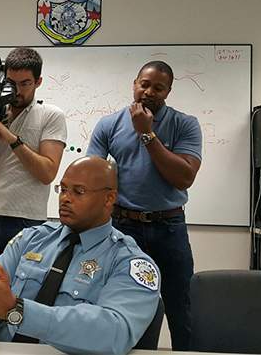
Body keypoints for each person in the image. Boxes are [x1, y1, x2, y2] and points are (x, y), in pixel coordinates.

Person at [0, 156, 160, 355]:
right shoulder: (31, 239)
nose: (65, 198)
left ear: (109, 199)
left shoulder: (128, 262)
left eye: (79, 191)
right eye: (62, 189)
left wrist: (16, 309)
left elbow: (115, 333)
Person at [87, 60, 202, 351]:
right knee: (121, 303)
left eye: (158, 87)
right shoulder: (109, 124)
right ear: (134, 84)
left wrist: (147, 133)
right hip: (123, 228)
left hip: (169, 227)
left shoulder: (185, 124)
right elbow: (91, 175)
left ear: (168, 91)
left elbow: (184, 177)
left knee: (181, 305)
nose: (149, 91)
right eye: (144, 84)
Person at [0, 47, 67, 257]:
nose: (18, 91)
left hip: (28, 220)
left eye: (25, 84)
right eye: (11, 83)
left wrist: (9, 136)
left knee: (25, 288)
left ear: (38, 82)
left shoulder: (51, 115)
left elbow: (47, 173)